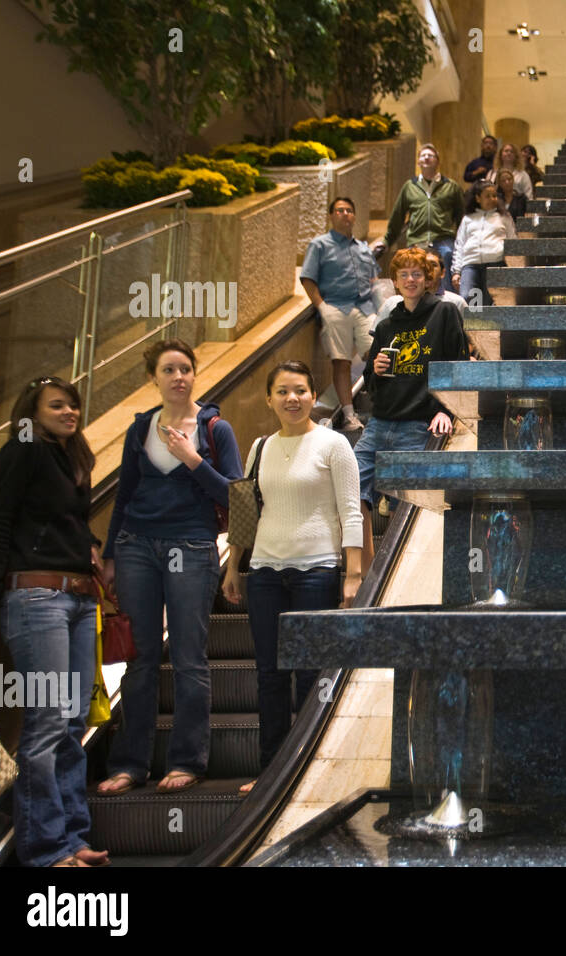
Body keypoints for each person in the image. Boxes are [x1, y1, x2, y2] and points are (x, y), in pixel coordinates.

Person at [96, 340, 243, 798]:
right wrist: (110, 556)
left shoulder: (216, 428)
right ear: (154, 378)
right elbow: (123, 495)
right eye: (168, 370)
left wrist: (192, 459)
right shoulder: (141, 428)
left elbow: (235, 497)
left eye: (185, 369)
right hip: (135, 545)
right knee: (139, 661)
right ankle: (129, 763)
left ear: (195, 375)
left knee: (187, 658)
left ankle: (185, 760)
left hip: (193, 546)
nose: (178, 376)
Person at [0, 377, 106, 867]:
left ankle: (74, 840)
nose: (70, 411)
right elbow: (1, 520)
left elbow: (66, 524)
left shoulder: (71, 460)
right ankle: (46, 849)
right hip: (36, 598)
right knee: (47, 724)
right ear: (31, 413)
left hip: (78, 598)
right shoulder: (24, 449)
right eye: (57, 405)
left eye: (73, 404)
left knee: (72, 724)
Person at [222, 362, 363, 793]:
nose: (292, 399)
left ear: (312, 395)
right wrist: (233, 567)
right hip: (264, 572)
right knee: (269, 674)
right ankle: (271, 773)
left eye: (300, 390)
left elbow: (351, 511)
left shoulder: (334, 444)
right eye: (282, 391)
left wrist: (353, 574)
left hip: (317, 572)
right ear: (269, 399)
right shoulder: (261, 447)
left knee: (310, 674)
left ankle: (307, 770)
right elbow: (246, 512)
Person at [355, 247, 470, 567]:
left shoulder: (444, 312)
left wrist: (445, 411)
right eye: (403, 274)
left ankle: (394, 567)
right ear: (394, 281)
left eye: (416, 273)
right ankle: (370, 566)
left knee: (403, 507)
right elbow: (369, 379)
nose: (410, 279)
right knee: (351, 493)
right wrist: (374, 370)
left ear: (427, 278)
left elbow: (456, 365)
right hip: (380, 422)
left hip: (418, 423)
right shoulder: (389, 322)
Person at [301, 197, 378, 433]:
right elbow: (307, 278)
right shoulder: (320, 245)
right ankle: (349, 415)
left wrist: (382, 309)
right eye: (339, 210)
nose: (345, 214)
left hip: (364, 308)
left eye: (349, 210)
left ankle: (382, 406)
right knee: (342, 361)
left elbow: (374, 281)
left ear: (354, 216)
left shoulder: (363, 248)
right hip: (335, 306)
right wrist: (322, 306)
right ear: (332, 216)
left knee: (378, 356)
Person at [372, 144, 464, 295]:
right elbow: (398, 216)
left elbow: (461, 218)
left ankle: (447, 303)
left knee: (447, 255)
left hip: (443, 238)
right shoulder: (409, 186)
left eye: (431, 155)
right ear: (419, 162)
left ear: (438, 161)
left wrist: (462, 242)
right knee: (411, 268)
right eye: (423, 156)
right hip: (417, 240)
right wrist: (387, 241)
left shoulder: (451, 186)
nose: (426, 157)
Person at [452, 179, 516, 308]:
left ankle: (487, 328)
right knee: (468, 299)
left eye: (494, 195)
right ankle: (473, 328)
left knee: (488, 304)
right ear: (477, 198)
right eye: (487, 196)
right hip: (471, 265)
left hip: (495, 264)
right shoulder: (468, 218)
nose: (492, 199)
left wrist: (512, 267)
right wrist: (456, 271)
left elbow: (513, 241)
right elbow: (460, 245)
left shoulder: (504, 217)